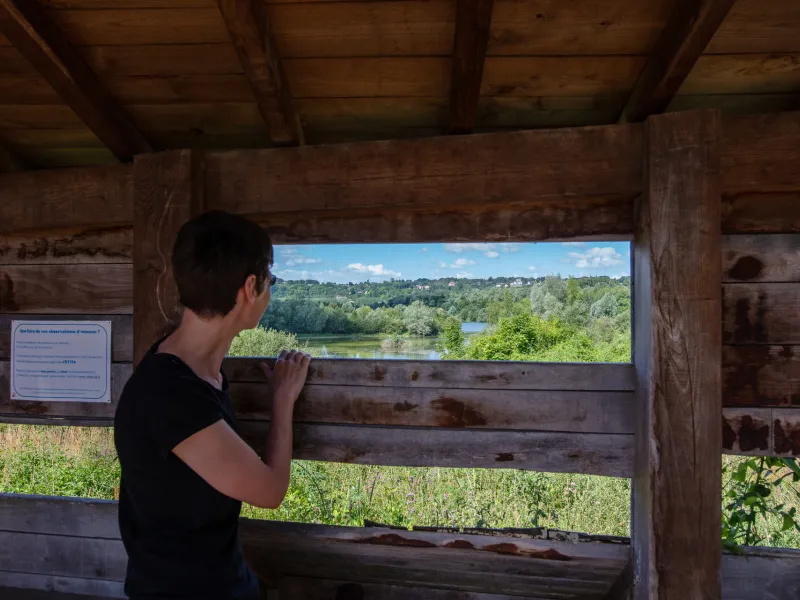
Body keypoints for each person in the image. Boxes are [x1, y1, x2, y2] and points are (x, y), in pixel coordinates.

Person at [114, 211, 310, 600]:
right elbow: (270, 491)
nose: (270, 291)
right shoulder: (171, 395)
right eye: (271, 281)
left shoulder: (190, 372)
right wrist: (283, 401)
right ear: (250, 287)